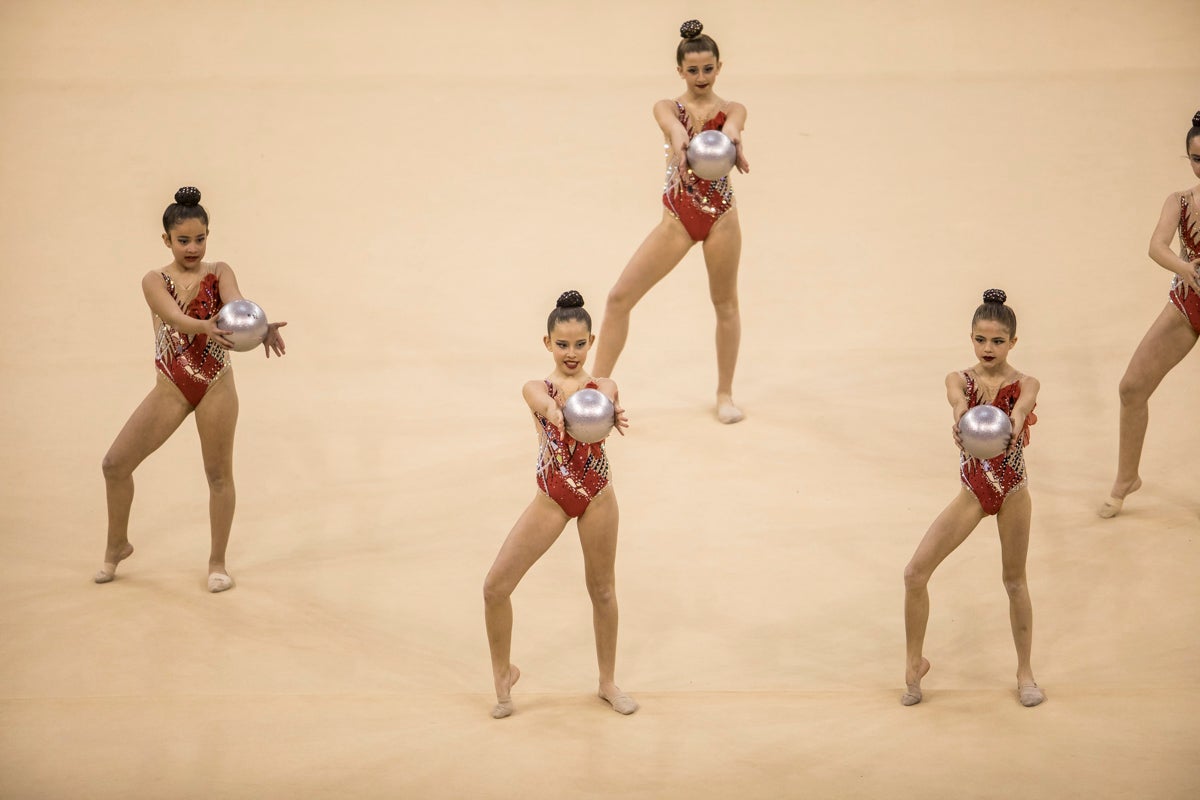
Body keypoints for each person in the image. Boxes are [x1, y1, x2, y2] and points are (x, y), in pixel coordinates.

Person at [95, 187, 287, 592]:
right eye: (183, 240)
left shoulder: (219, 271)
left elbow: (236, 305)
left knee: (218, 475)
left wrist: (258, 328)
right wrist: (204, 326)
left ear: (208, 236)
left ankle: (217, 563)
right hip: (172, 386)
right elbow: (173, 317)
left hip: (216, 384)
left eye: (200, 238)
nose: (193, 248)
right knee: (114, 465)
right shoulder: (154, 280)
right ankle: (117, 545)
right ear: (166, 239)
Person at [483, 291, 636, 718]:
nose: (572, 353)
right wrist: (556, 411)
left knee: (602, 589)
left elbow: (610, 395)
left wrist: (613, 410)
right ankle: (503, 676)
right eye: (563, 344)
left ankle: (607, 682)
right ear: (547, 343)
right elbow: (544, 405)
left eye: (580, 344)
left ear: (592, 342)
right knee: (495, 587)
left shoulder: (602, 386)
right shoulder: (536, 388)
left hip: (597, 496)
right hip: (552, 499)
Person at [592, 19, 751, 424]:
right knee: (619, 298)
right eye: (692, 69)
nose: (701, 77)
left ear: (719, 67)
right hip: (677, 220)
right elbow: (670, 124)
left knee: (725, 303)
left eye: (708, 68)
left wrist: (733, 134)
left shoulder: (732, 109)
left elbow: (735, 123)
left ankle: (725, 394)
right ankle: (595, 390)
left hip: (721, 219)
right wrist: (680, 137)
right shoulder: (667, 106)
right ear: (679, 70)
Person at [901, 290, 1044, 707]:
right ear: (971, 338)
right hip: (973, 493)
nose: (988, 348)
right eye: (980, 339)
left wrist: (1016, 418)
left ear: (1013, 342)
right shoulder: (958, 379)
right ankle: (913, 665)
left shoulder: (1026, 383)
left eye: (998, 341)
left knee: (1014, 581)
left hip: (1013, 491)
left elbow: (1022, 408)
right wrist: (961, 414)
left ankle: (1025, 672)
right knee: (914, 574)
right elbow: (957, 401)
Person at [1099, 111, 1200, 518]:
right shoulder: (1180, 201)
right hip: (1189, 302)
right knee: (1132, 387)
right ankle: (1127, 478)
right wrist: (1186, 269)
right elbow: (1157, 245)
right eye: (1196, 158)